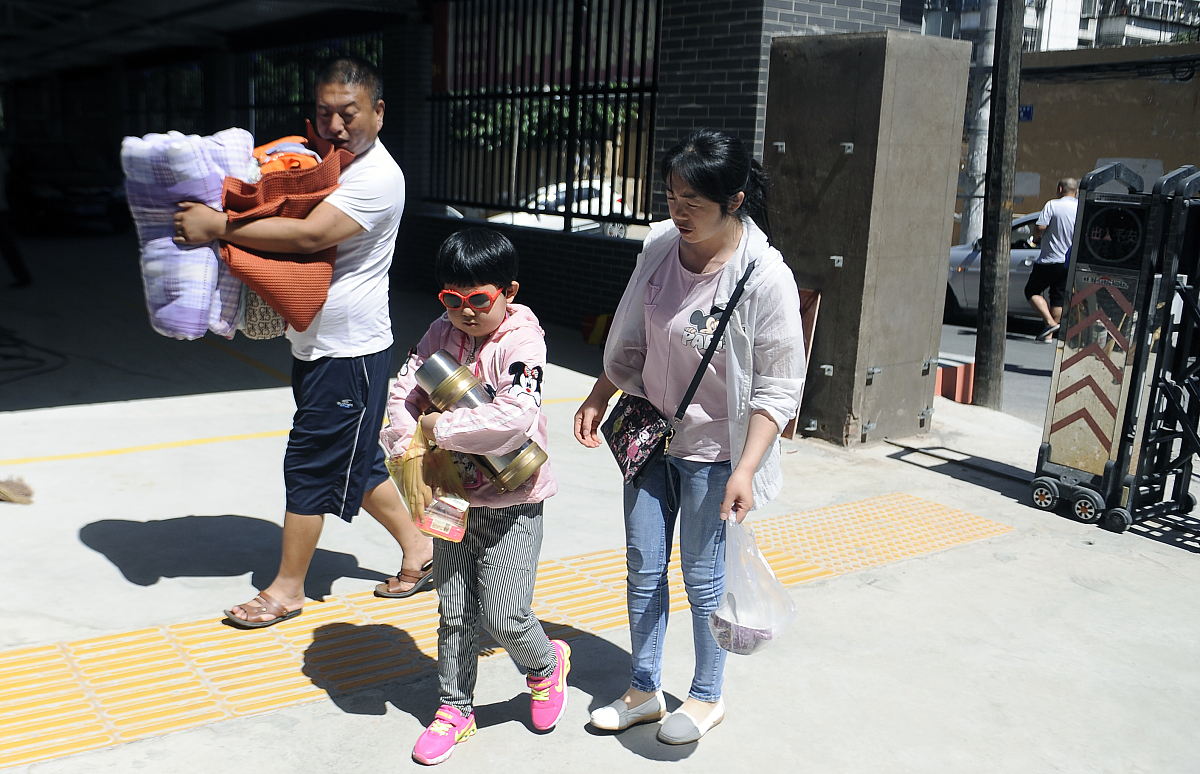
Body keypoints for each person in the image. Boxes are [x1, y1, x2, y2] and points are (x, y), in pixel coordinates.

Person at [173, 56, 434, 627]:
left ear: (379, 112)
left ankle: (287, 590)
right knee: (357, 463)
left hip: (349, 352)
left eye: (349, 113)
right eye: (324, 113)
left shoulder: (377, 176)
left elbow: (310, 234)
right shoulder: (329, 163)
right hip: (317, 345)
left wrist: (218, 226)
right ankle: (422, 551)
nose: (336, 125)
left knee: (311, 465)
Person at [572, 128, 806, 745]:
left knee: (704, 578)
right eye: (671, 197)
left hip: (717, 453)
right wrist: (600, 393)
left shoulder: (763, 278)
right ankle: (644, 688)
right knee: (643, 566)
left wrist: (746, 469)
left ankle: (706, 696)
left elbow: (778, 388)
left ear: (733, 201)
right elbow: (630, 334)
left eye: (691, 203)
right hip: (651, 436)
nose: (677, 212)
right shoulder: (658, 246)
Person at [380, 228, 568, 765]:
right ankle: (454, 707)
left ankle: (545, 666)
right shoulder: (438, 333)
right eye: (451, 299)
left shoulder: (522, 343)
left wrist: (438, 430)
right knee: (455, 606)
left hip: (513, 496)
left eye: (479, 300)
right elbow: (404, 391)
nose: (464, 312)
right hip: (450, 492)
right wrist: (403, 433)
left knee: (506, 616)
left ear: (508, 290)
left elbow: (515, 416)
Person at [1027, 177, 1079, 342]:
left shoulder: (1052, 205)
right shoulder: (1081, 208)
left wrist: (1034, 239)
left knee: (1031, 291)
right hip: (1069, 262)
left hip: (1050, 259)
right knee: (1058, 298)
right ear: (1076, 192)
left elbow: (1040, 226)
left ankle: (1049, 322)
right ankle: (1049, 334)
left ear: (1060, 189)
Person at [0, 140, 32, 289]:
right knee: (8, 246)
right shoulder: (2, 155)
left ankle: (23, 276)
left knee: (8, 245)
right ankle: (23, 276)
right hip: (2, 206)